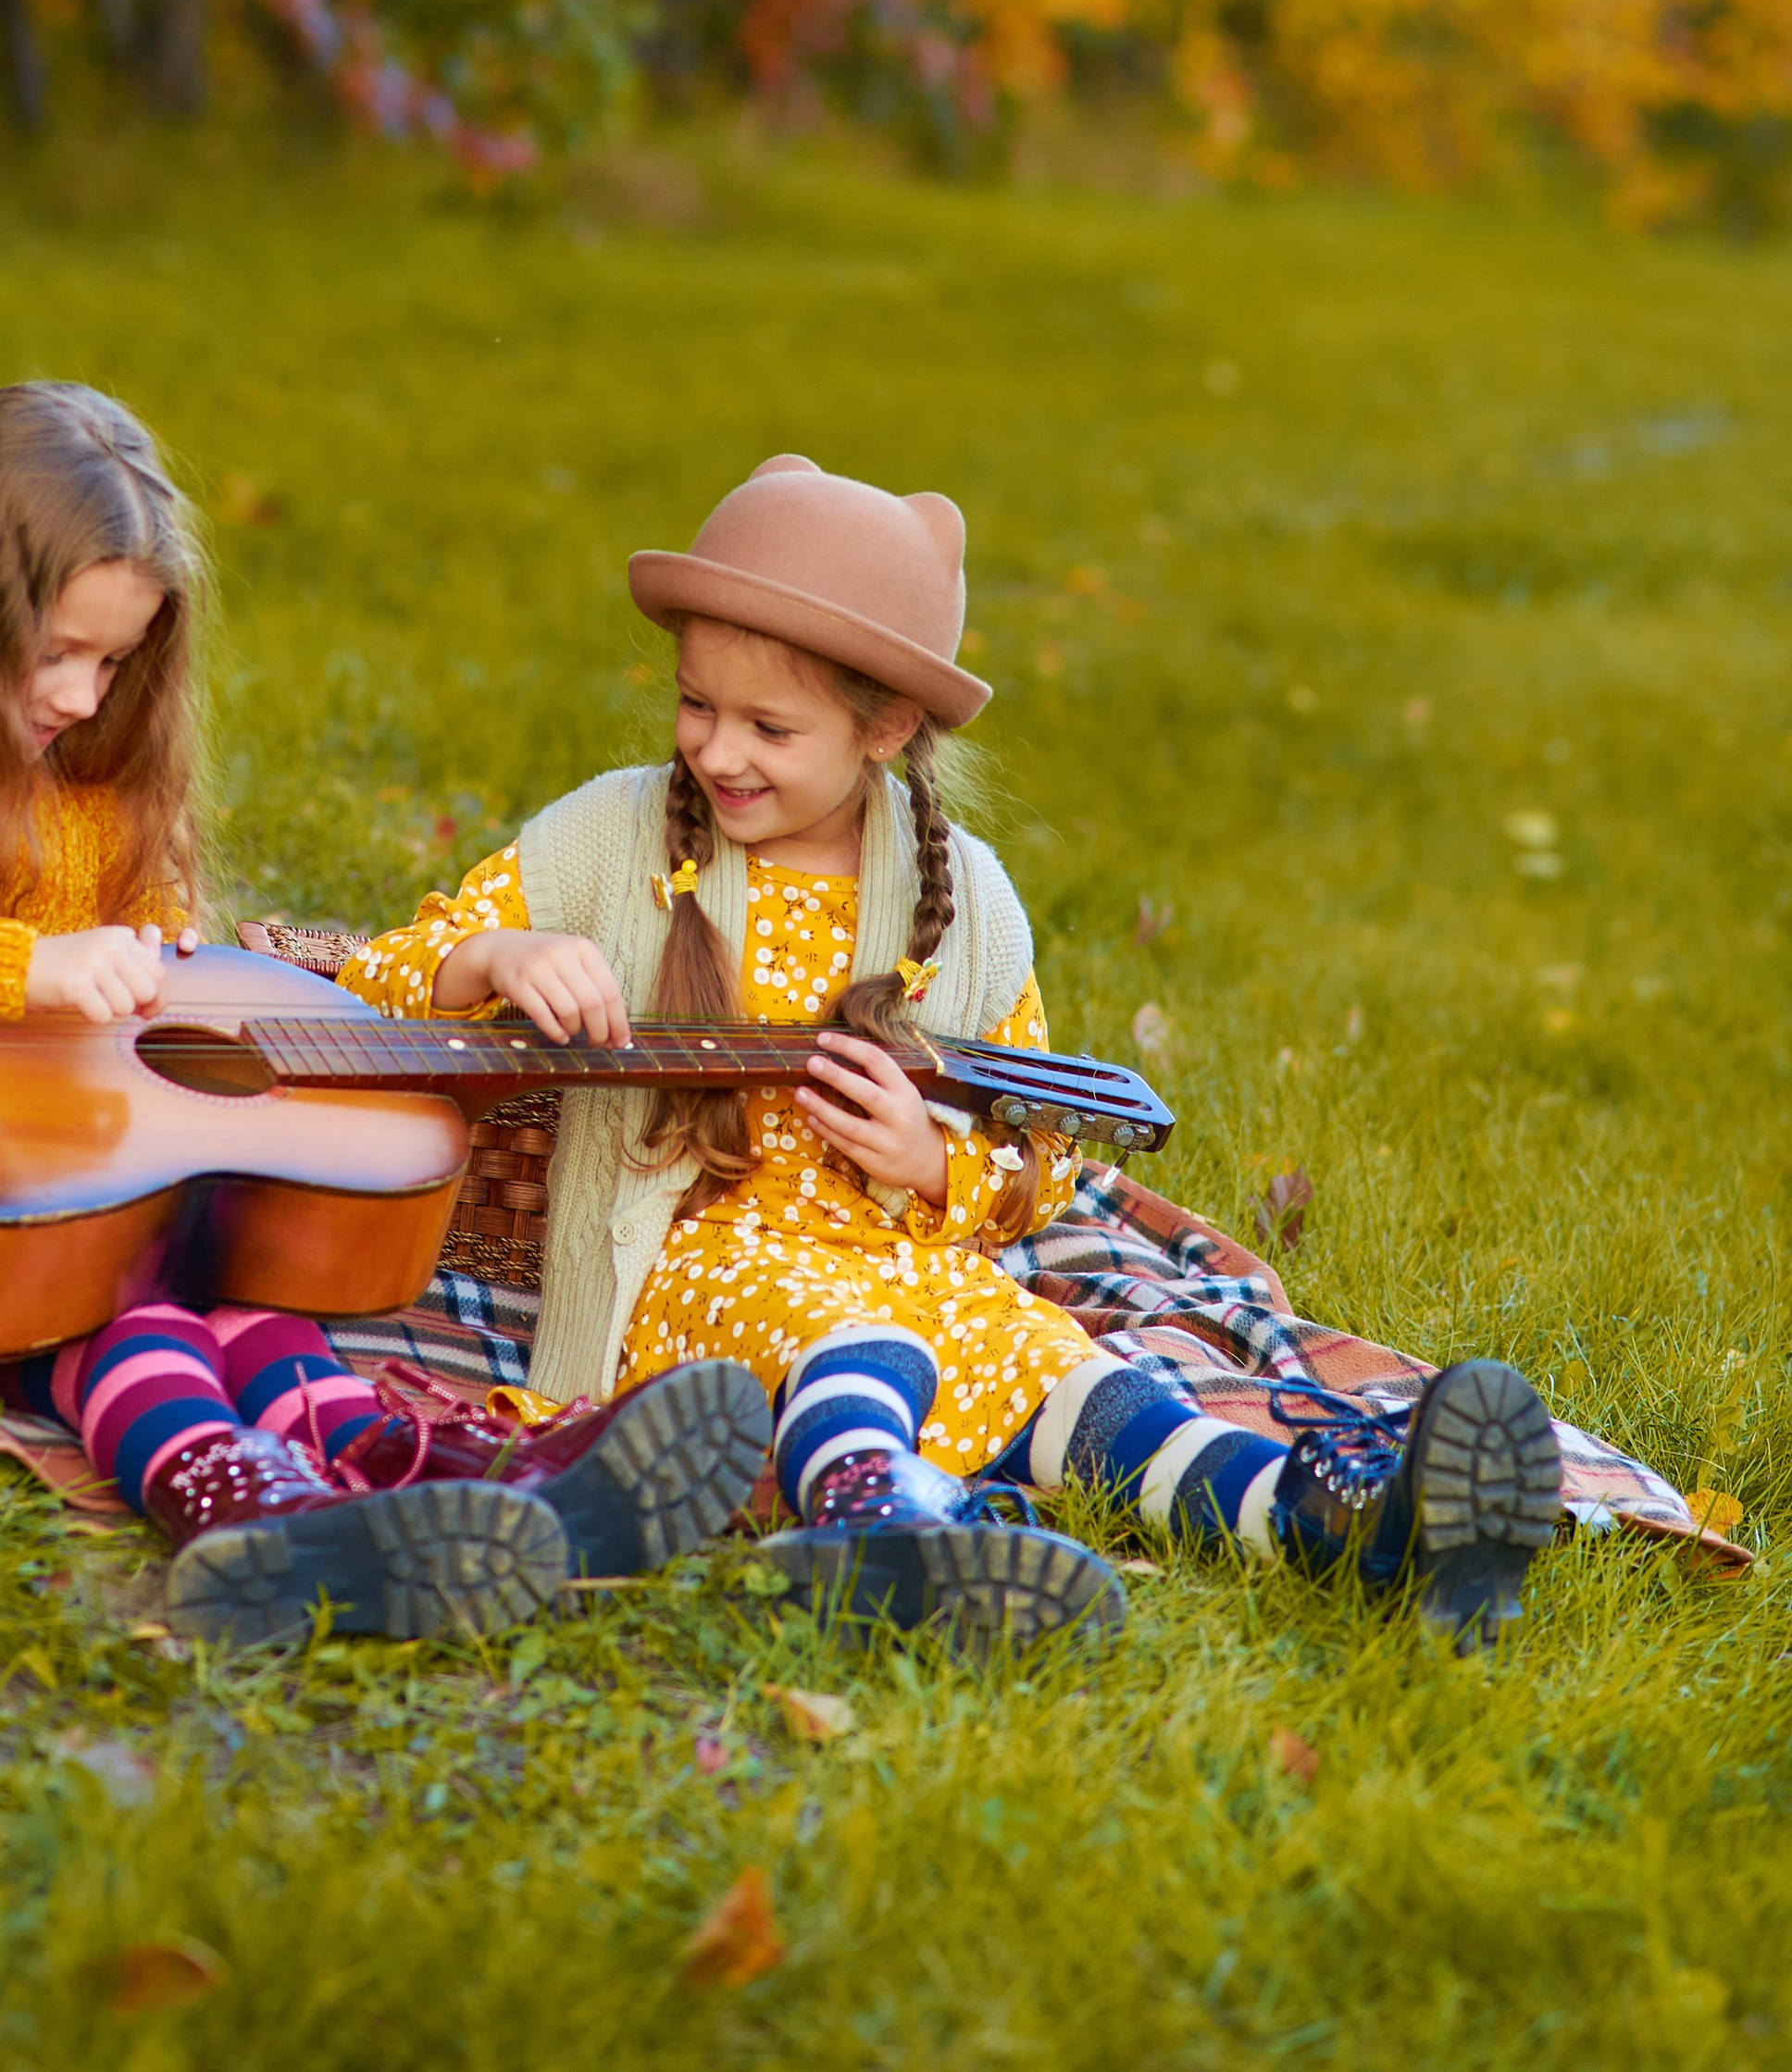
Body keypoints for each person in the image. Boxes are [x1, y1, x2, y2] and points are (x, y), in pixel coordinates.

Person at [339, 455, 1564, 1653]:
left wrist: (930, 1161)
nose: (718, 751)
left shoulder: (964, 900)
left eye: (770, 724)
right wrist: (496, 958)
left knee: (1067, 1371)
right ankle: (884, 1529)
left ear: (887, 725)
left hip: (910, 1261)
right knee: (849, 1337)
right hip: (690, 1268)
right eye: (696, 704)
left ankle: (1338, 1522)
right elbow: (384, 969)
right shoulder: (611, 837)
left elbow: (1032, 1166)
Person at [0, 381, 769, 1644]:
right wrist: (22, 971)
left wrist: (152, 945)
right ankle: (240, 1511)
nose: (84, 694)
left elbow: (148, 924)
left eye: (116, 659)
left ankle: (438, 1485)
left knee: (235, 1277)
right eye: (58, 651)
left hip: (68, 1151)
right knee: (122, 1303)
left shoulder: (92, 775)